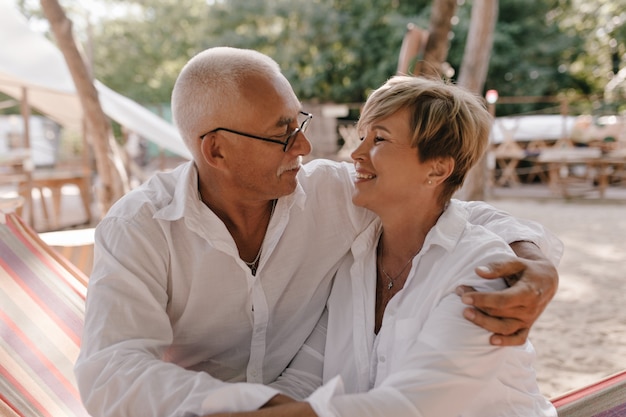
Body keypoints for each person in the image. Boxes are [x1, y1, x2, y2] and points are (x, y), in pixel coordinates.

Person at [74, 47, 561, 417]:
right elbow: (110, 371)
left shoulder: (329, 196)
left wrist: (532, 258)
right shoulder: (139, 229)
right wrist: (260, 407)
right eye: (282, 132)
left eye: (299, 121)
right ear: (216, 151)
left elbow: (442, 209)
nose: (305, 145)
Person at [206, 76, 558, 417]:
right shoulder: (353, 262)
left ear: (437, 169)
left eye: (379, 139)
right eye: (361, 136)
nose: (356, 154)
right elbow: (307, 377)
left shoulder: (484, 271)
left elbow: (413, 407)